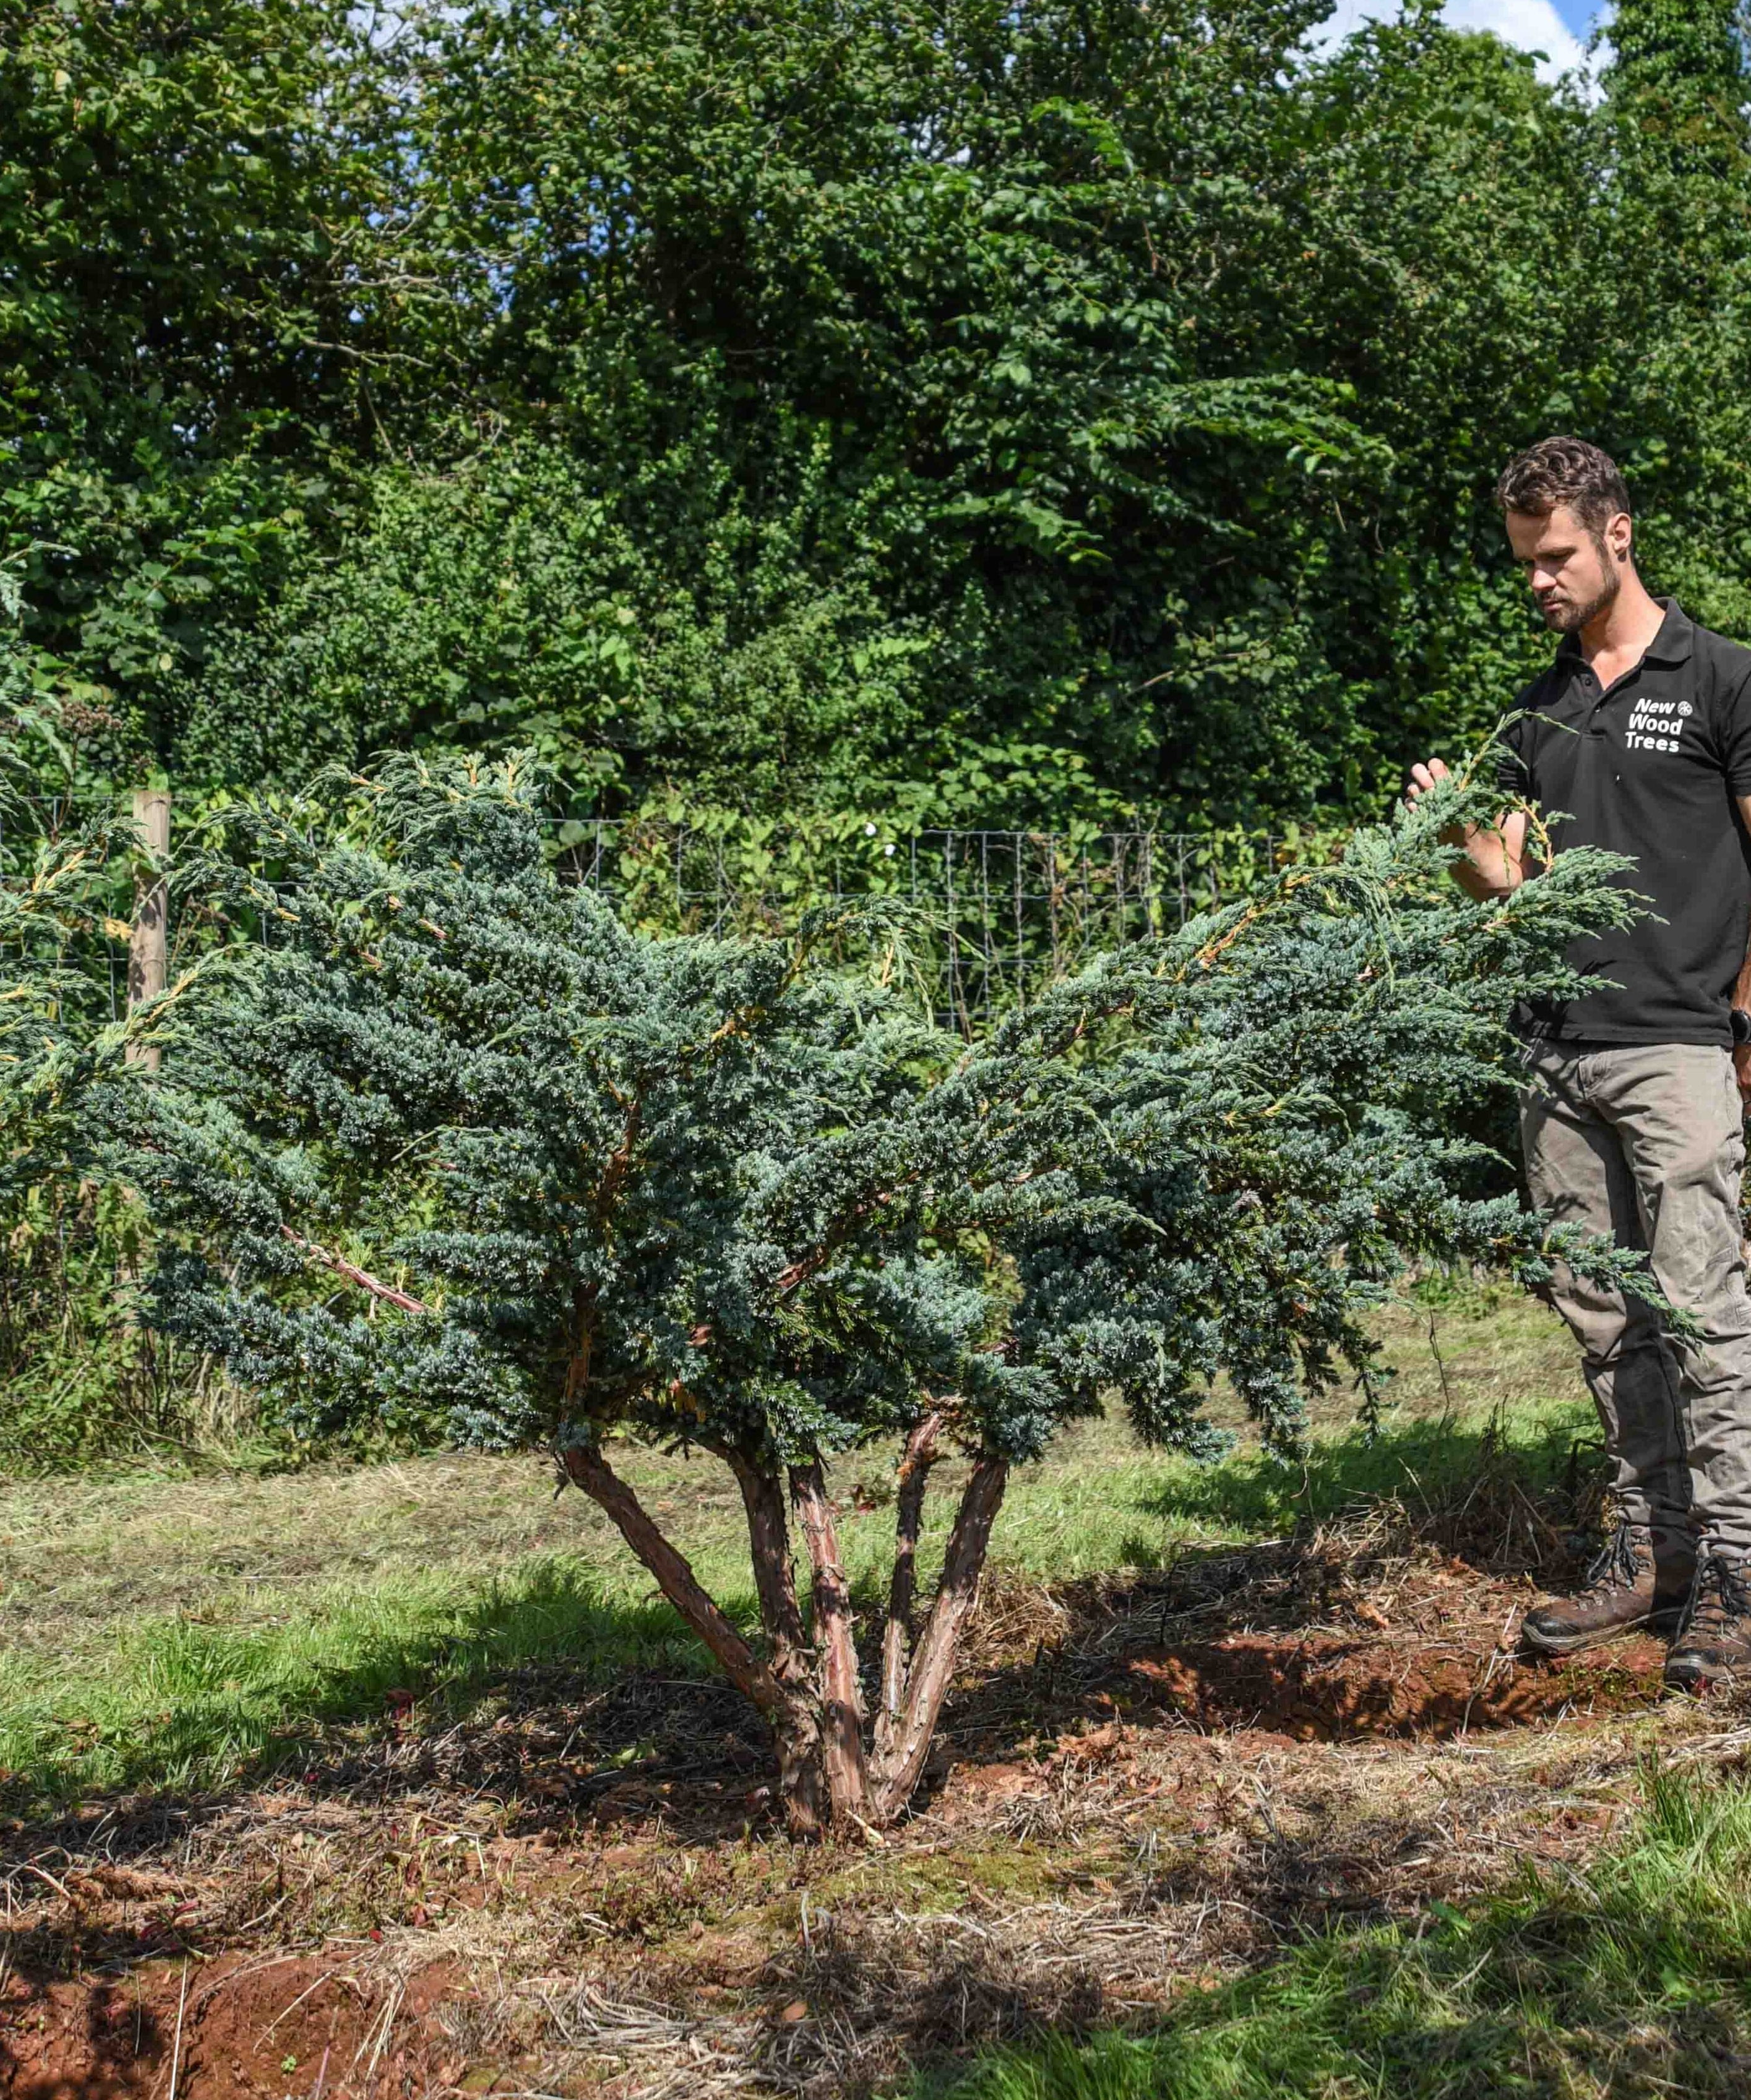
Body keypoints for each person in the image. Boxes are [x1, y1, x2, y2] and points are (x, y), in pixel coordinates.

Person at [1406, 435, 1751, 1689]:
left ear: (1617, 534)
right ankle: (1650, 1551)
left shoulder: (1720, 681)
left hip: (1675, 1050)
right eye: (1522, 562)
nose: (1536, 580)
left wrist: (1742, 1032)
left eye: (1552, 556)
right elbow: (1513, 892)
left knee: (1705, 1316)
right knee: (1606, 1326)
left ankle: (1734, 1574)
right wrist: (1463, 856)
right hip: (1555, 1062)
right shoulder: (1537, 712)